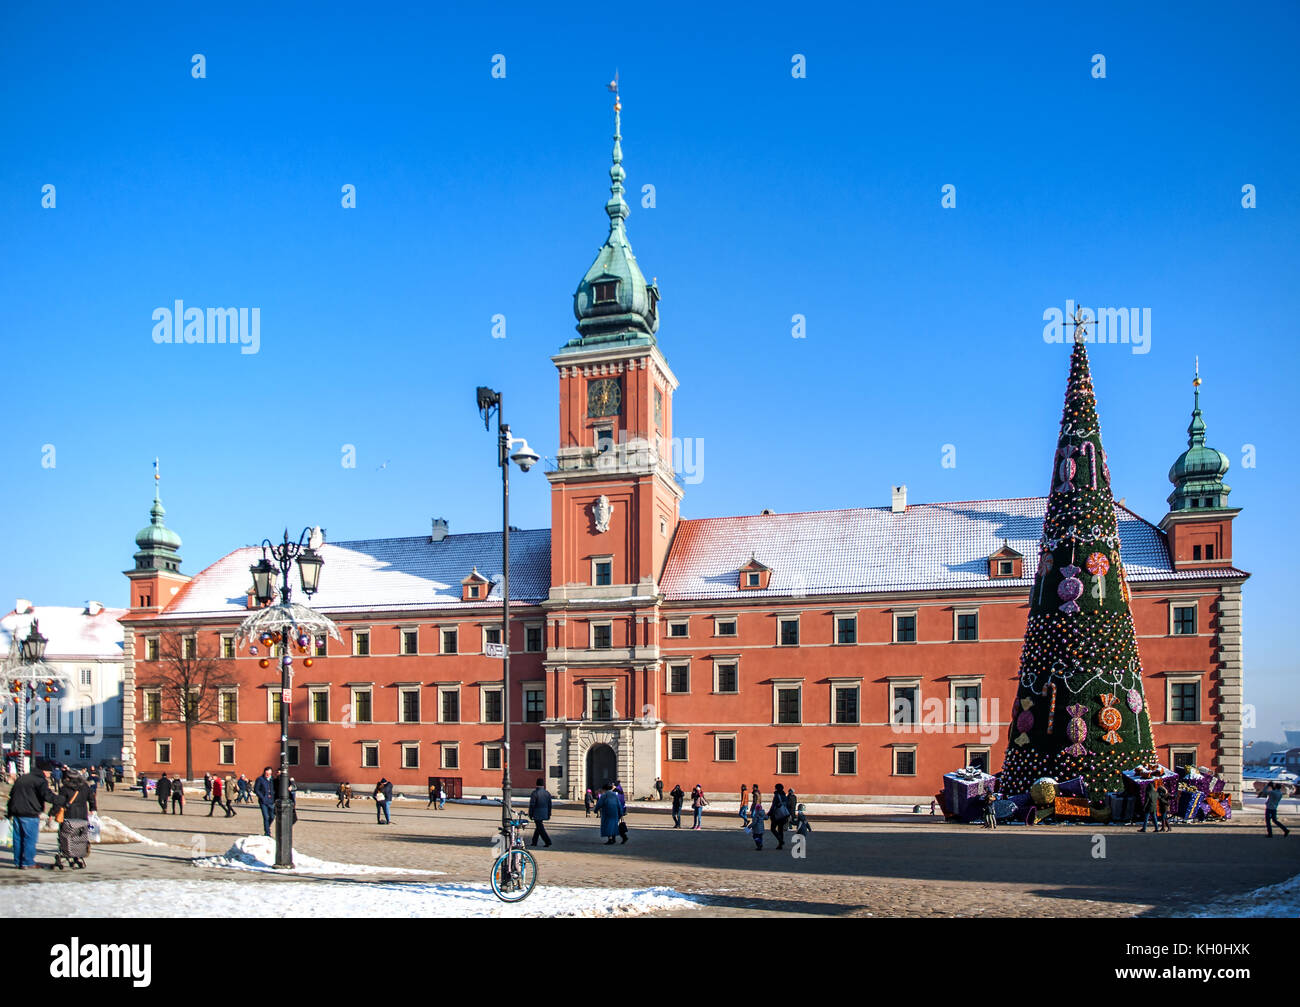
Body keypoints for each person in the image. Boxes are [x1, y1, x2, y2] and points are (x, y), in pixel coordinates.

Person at [6, 760, 64, 869]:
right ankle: (28, 862)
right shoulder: (40, 781)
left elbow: (12, 795)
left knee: (18, 839)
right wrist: (61, 800)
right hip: (30, 814)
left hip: (17, 813)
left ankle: (18, 862)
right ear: (44, 771)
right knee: (29, 839)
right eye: (49, 772)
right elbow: (47, 795)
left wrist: (9, 813)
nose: (49, 774)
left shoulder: (22, 778)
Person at [54, 770, 96, 870]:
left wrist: (53, 813)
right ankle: (78, 853)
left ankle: (67, 852)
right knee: (79, 836)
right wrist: (93, 809)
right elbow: (92, 798)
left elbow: (59, 802)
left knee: (67, 835)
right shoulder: (85, 787)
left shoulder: (64, 789)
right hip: (82, 816)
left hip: (69, 816)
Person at [528, 778, 553, 848]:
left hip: (537, 812)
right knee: (538, 827)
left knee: (540, 827)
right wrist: (549, 813)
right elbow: (549, 804)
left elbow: (532, 804)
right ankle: (534, 841)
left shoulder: (535, 793)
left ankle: (547, 841)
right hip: (545, 812)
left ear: (536, 784)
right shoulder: (547, 793)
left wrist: (530, 813)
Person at [253, 767, 275, 837]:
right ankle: (267, 833)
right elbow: (256, 789)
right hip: (263, 802)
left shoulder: (273, 780)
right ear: (264, 772)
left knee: (272, 816)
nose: (268, 775)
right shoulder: (260, 779)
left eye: (269, 774)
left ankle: (267, 827)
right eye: (266, 773)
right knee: (265, 817)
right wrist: (262, 797)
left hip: (271, 801)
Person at [769, 783, 789, 849]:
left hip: (776, 815)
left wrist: (769, 813)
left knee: (773, 828)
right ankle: (780, 845)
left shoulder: (777, 796)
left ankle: (780, 840)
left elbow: (773, 806)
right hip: (783, 815)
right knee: (780, 830)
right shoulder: (785, 796)